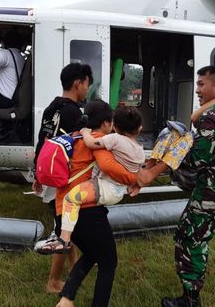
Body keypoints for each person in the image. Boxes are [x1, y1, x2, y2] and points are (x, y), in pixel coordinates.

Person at [137, 65, 215, 307]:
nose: (197, 90)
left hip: (213, 193)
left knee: (190, 238)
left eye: (201, 84)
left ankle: (190, 299)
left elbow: (198, 159)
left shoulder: (210, 115)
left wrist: (175, 147)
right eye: (197, 84)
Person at [53, 100, 137, 307]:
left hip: (62, 211)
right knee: (109, 263)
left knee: (92, 253)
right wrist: (134, 179)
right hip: (86, 212)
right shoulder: (99, 139)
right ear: (107, 123)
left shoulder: (74, 136)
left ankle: (66, 299)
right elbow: (108, 166)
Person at [37, 106, 144, 254]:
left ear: (116, 126)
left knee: (72, 201)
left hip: (63, 204)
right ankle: (63, 242)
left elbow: (98, 158)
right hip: (100, 200)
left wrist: (84, 132)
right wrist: (135, 181)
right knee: (102, 258)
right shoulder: (138, 149)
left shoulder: (75, 137)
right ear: (139, 129)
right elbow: (115, 166)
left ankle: (62, 241)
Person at [32, 62, 93, 294]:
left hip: (48, 173)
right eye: (87, 84)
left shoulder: (52, 107)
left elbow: (42, 140)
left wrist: (37, 174)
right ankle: (53, 282)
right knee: (63, 232)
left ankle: (74, 266)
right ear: (78, 83)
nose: (87, 89)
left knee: (67, 225)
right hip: (63, 178)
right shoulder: (74, 113)